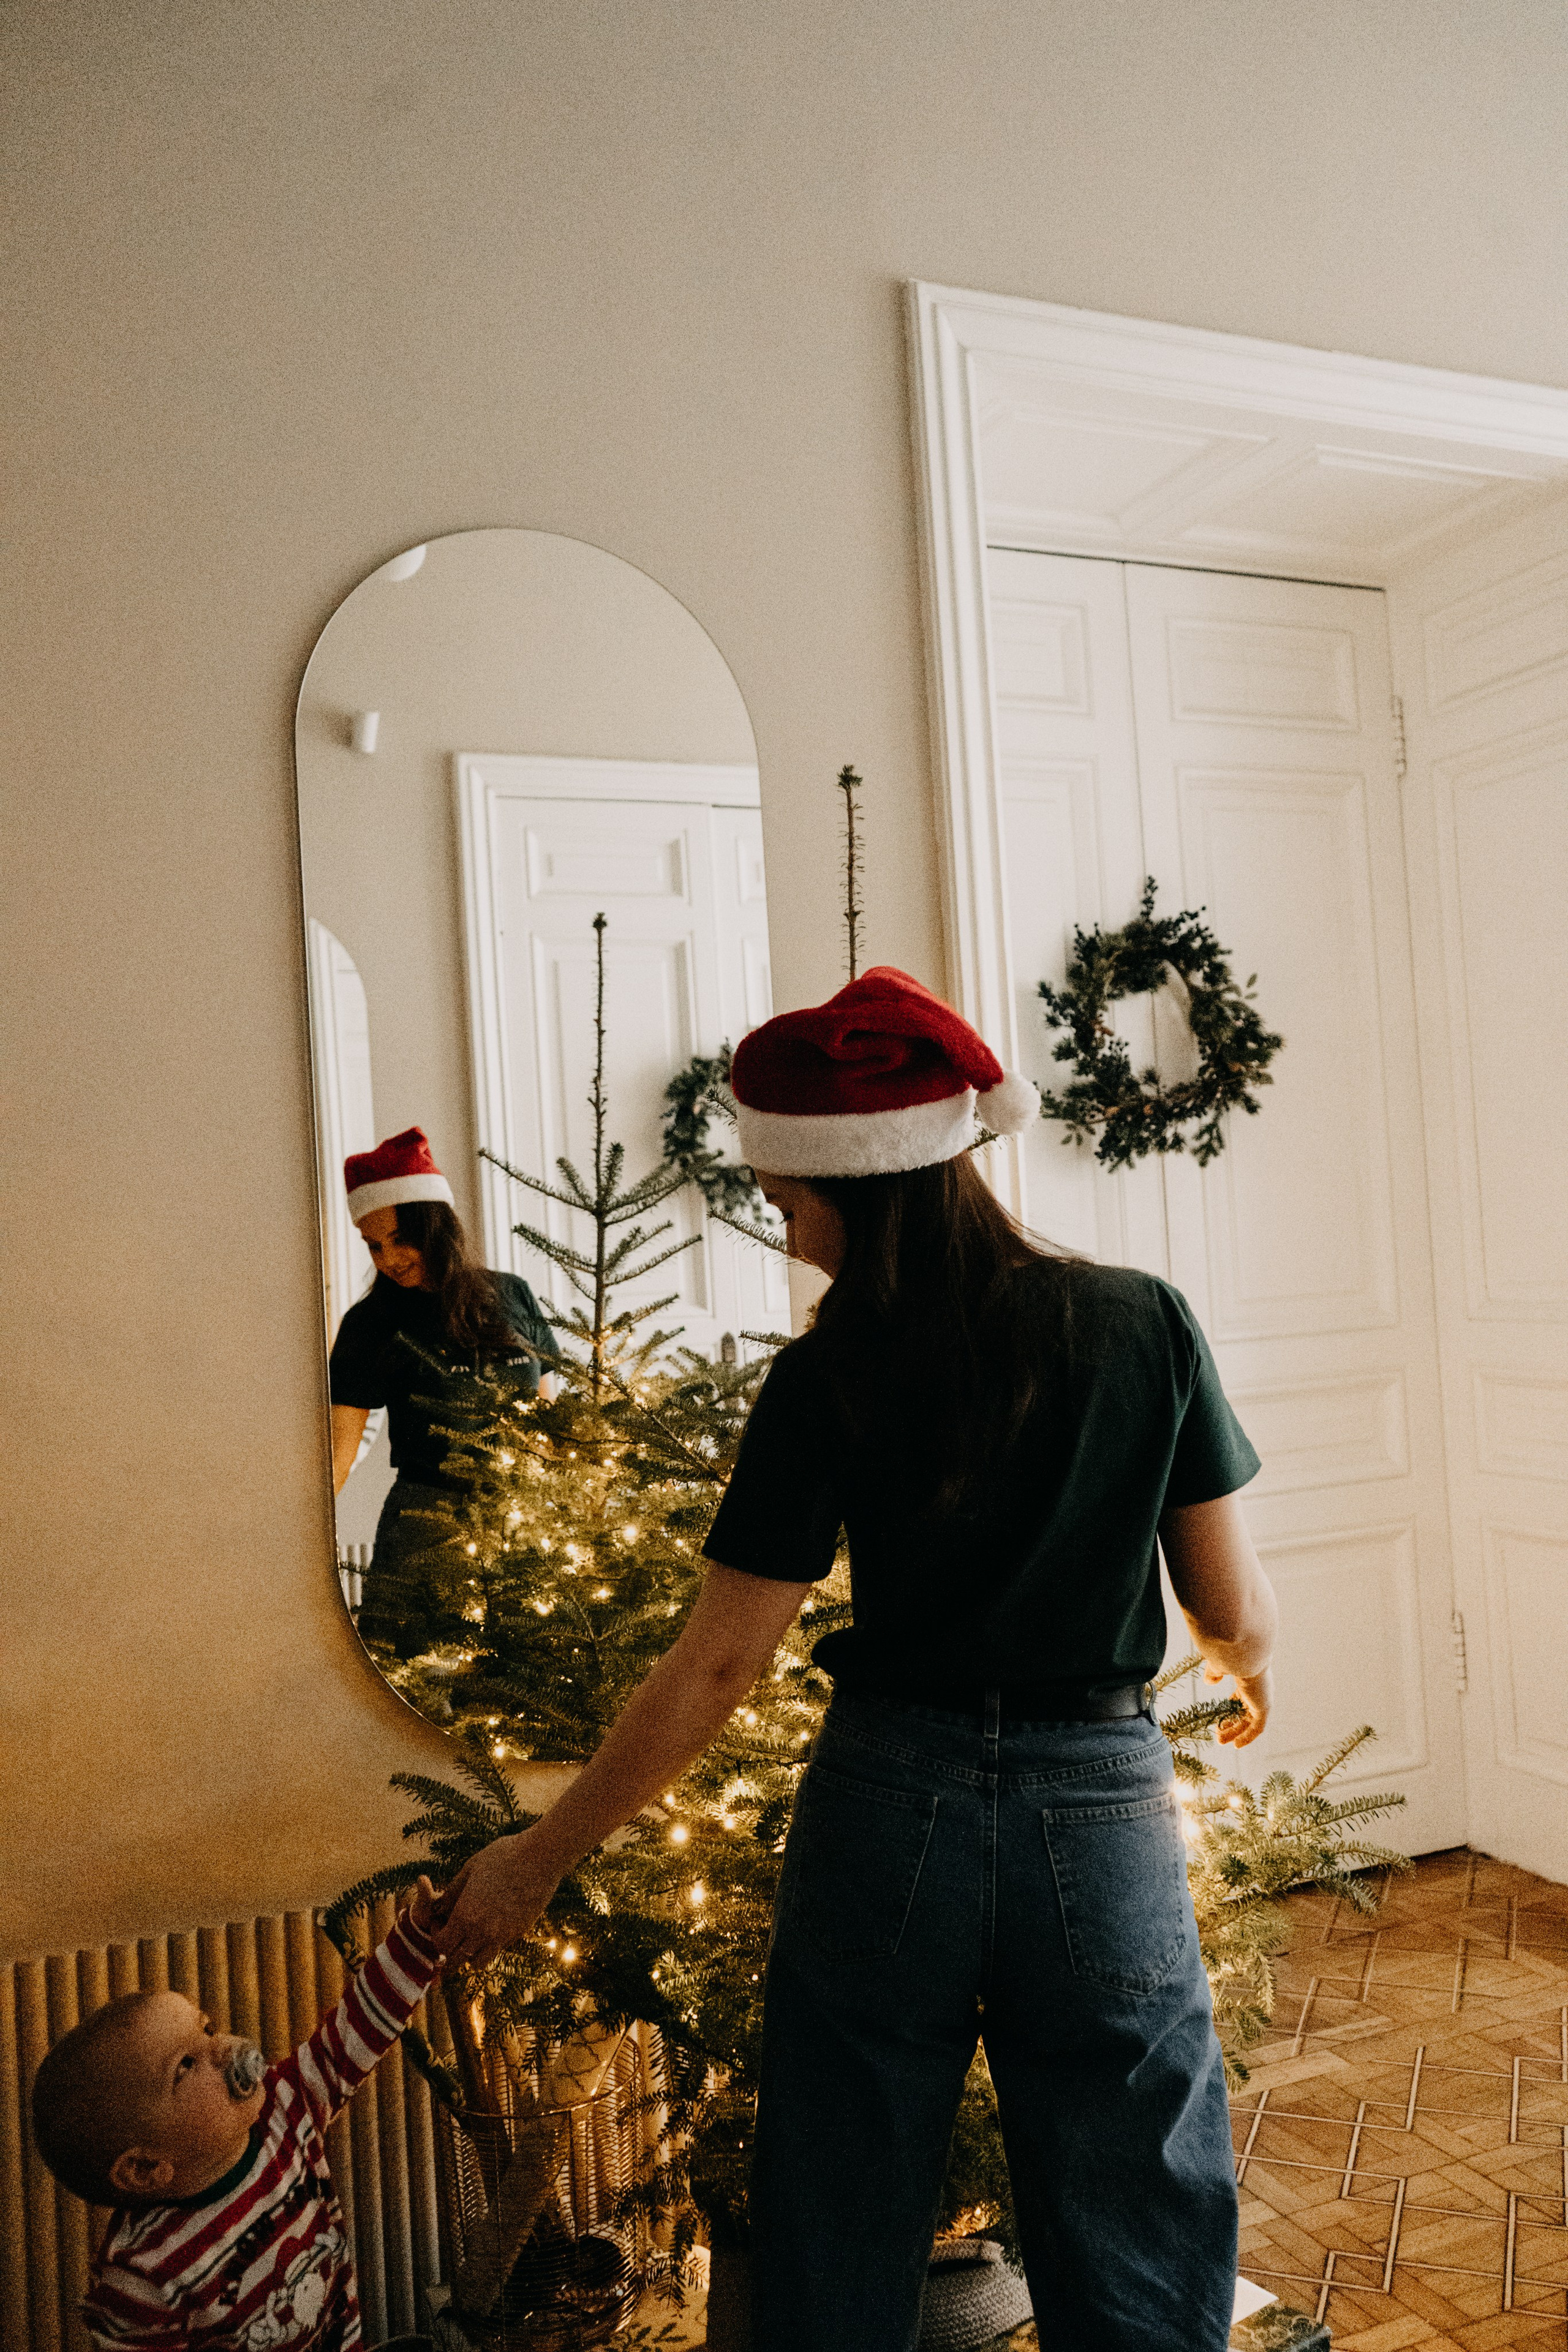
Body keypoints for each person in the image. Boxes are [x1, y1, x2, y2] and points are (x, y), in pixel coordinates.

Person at [435, 968, 1276, 2352]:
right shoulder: (1139, 1321)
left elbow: (713, 1668)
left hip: (891, 1799)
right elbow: (1226, 1605)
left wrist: (540, 1853)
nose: (782, 1227)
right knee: (1135, 2173)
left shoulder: (824, 1378)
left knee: (841, 2175)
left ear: (865, 1188)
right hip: (1099, 1797)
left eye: (784, 1199)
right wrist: (1245, 1669)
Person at [33, 1884, 444, 2352]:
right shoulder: (145, 2279)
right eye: (186, 2064)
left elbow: (355, 2028)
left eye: (206, 2029)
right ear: (146, 2167)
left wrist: (417, 1941)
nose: (223, 2047)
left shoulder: (285, 2106)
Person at [328, 1126, 556, 1658]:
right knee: (406, 1678)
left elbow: (546, 1423)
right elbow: (339, 1448)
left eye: (399, 1239)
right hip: (425, 1523)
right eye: (373, 1245)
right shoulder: (369, 1324)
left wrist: (567, 1508)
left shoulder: (512, 1295)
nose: (387, 1258)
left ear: (433, 1225)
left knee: (532, 1682)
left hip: (526, 1520)